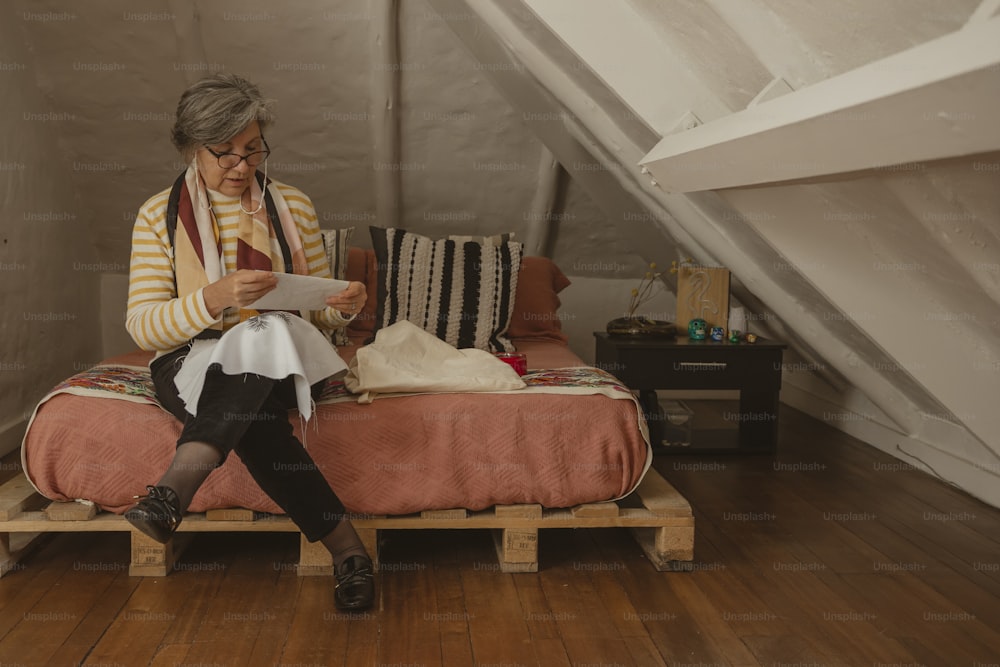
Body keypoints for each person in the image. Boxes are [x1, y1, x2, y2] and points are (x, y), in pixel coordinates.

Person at [123, 73, 373, 611]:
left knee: (264, 328)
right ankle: (350, 552)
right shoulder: (156, 216)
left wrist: (339, 307)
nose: (243, 166)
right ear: (192, 147)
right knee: (252, 417)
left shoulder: (294, 207)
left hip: (280, 355)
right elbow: (144, 328)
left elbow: (321, 317)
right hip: (193, 360)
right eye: (226, 154)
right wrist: (212, 298)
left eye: (253, 149)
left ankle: (172, 492)